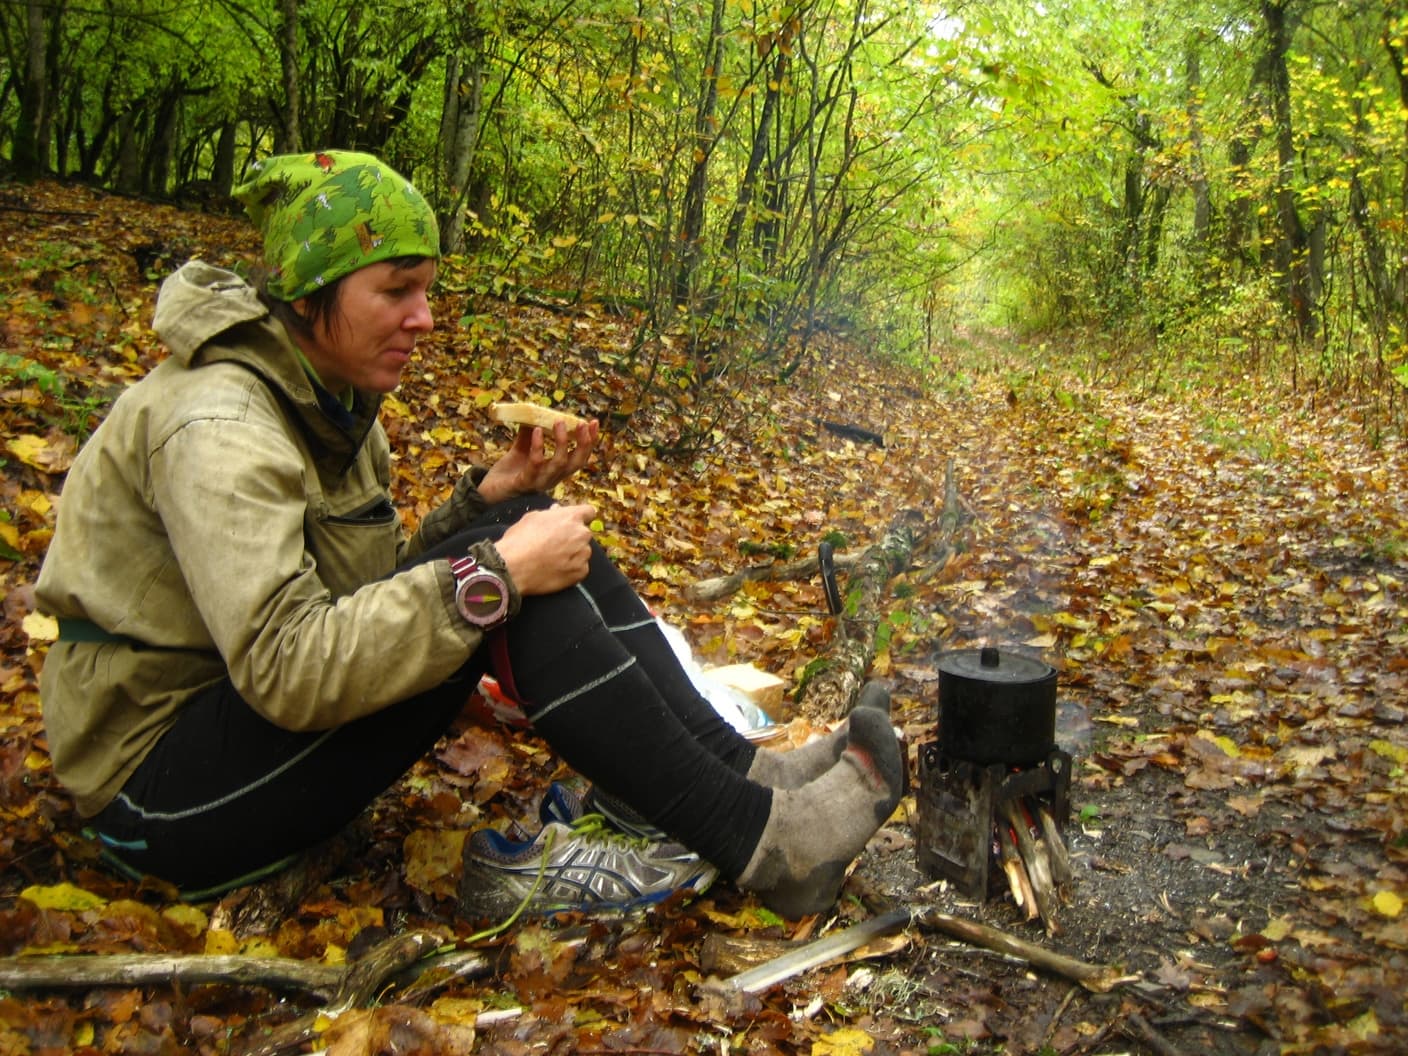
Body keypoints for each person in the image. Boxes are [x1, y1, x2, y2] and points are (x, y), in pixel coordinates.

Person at [34, 150, 904, 919]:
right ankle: (768, 849)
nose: (425, 318)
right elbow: (289, 666)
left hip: (234, 730)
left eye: (426, 290)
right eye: (395, 290)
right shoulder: (220, 425)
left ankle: (753, 778)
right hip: (153, 800)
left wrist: (486, 501)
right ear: (310, 293)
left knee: (521, 532)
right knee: (504, 585)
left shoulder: (325, 403)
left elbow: (361, 595)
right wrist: (492, 573)